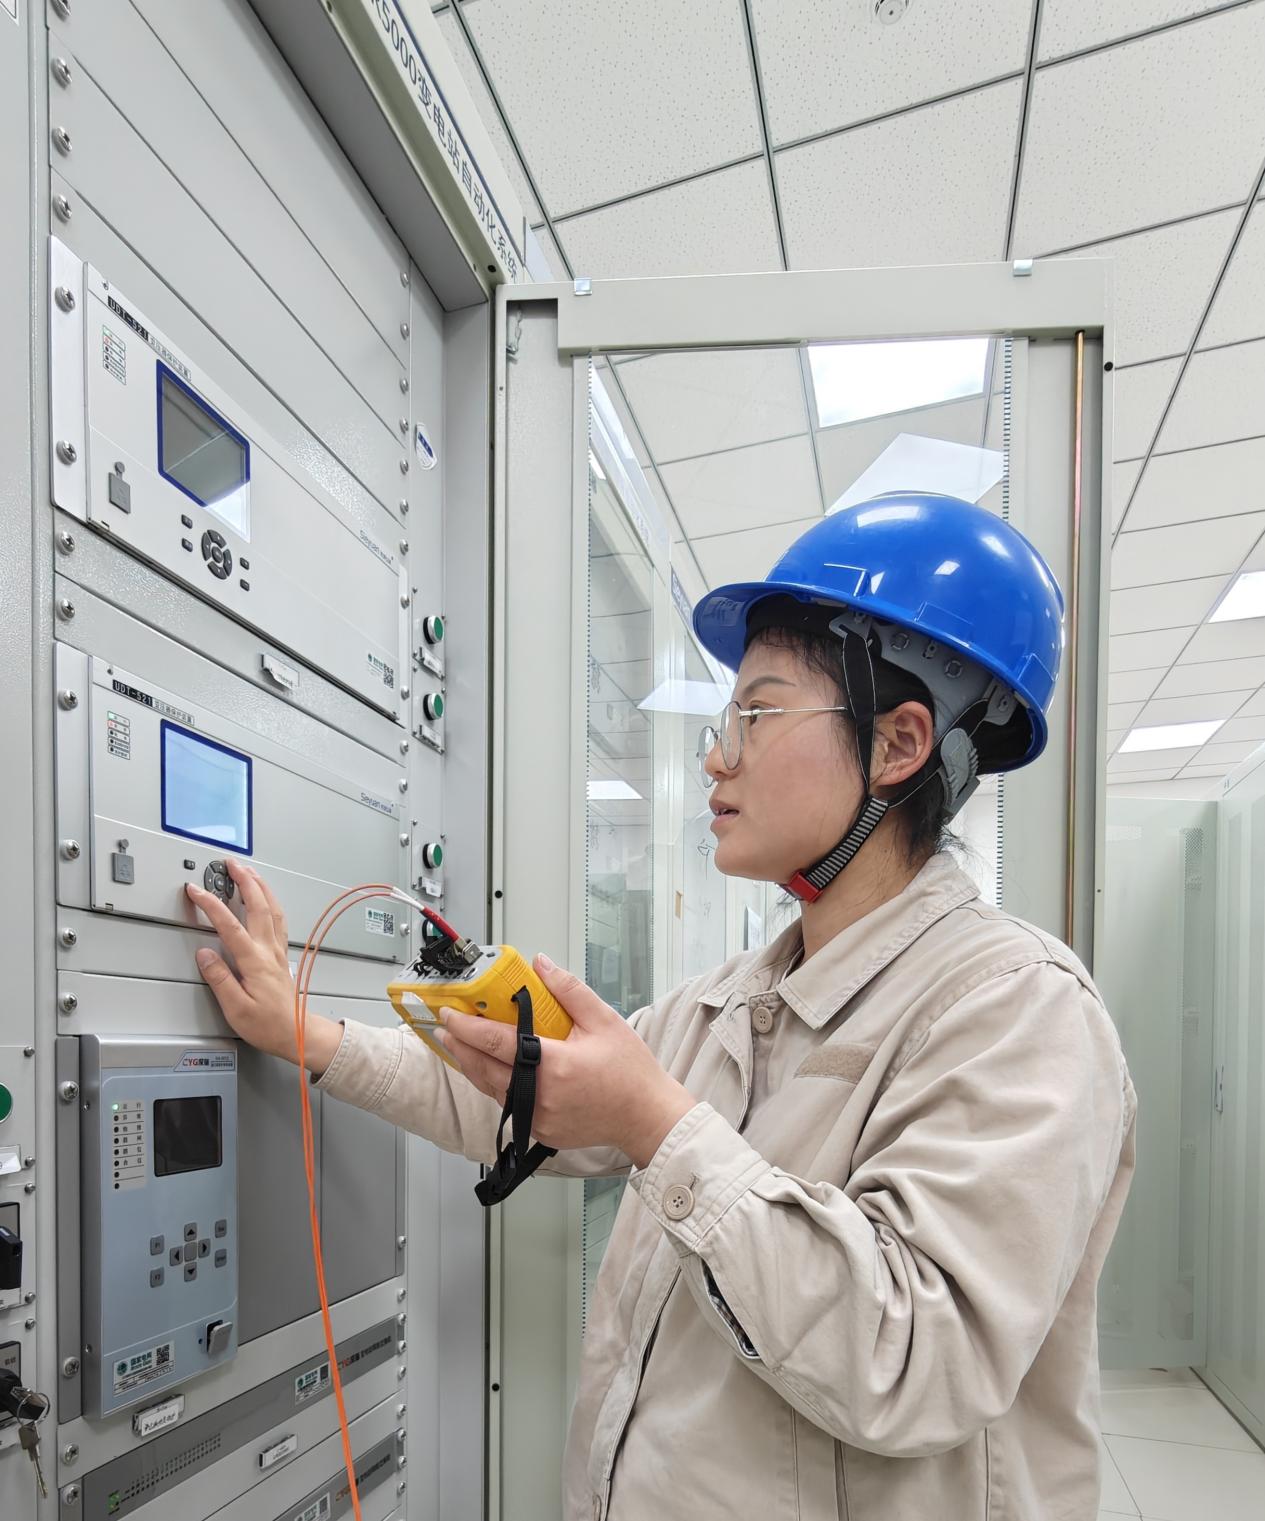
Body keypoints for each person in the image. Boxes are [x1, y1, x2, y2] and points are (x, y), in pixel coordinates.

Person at [188, 491, 1137, 1521]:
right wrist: (303, 1034)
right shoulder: (724, 1003)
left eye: (757, 714)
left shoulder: (1017, 1011)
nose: (717, 756)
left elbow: (912, 1359)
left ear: (897, 744)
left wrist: (654, 1123)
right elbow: (512, 1100)